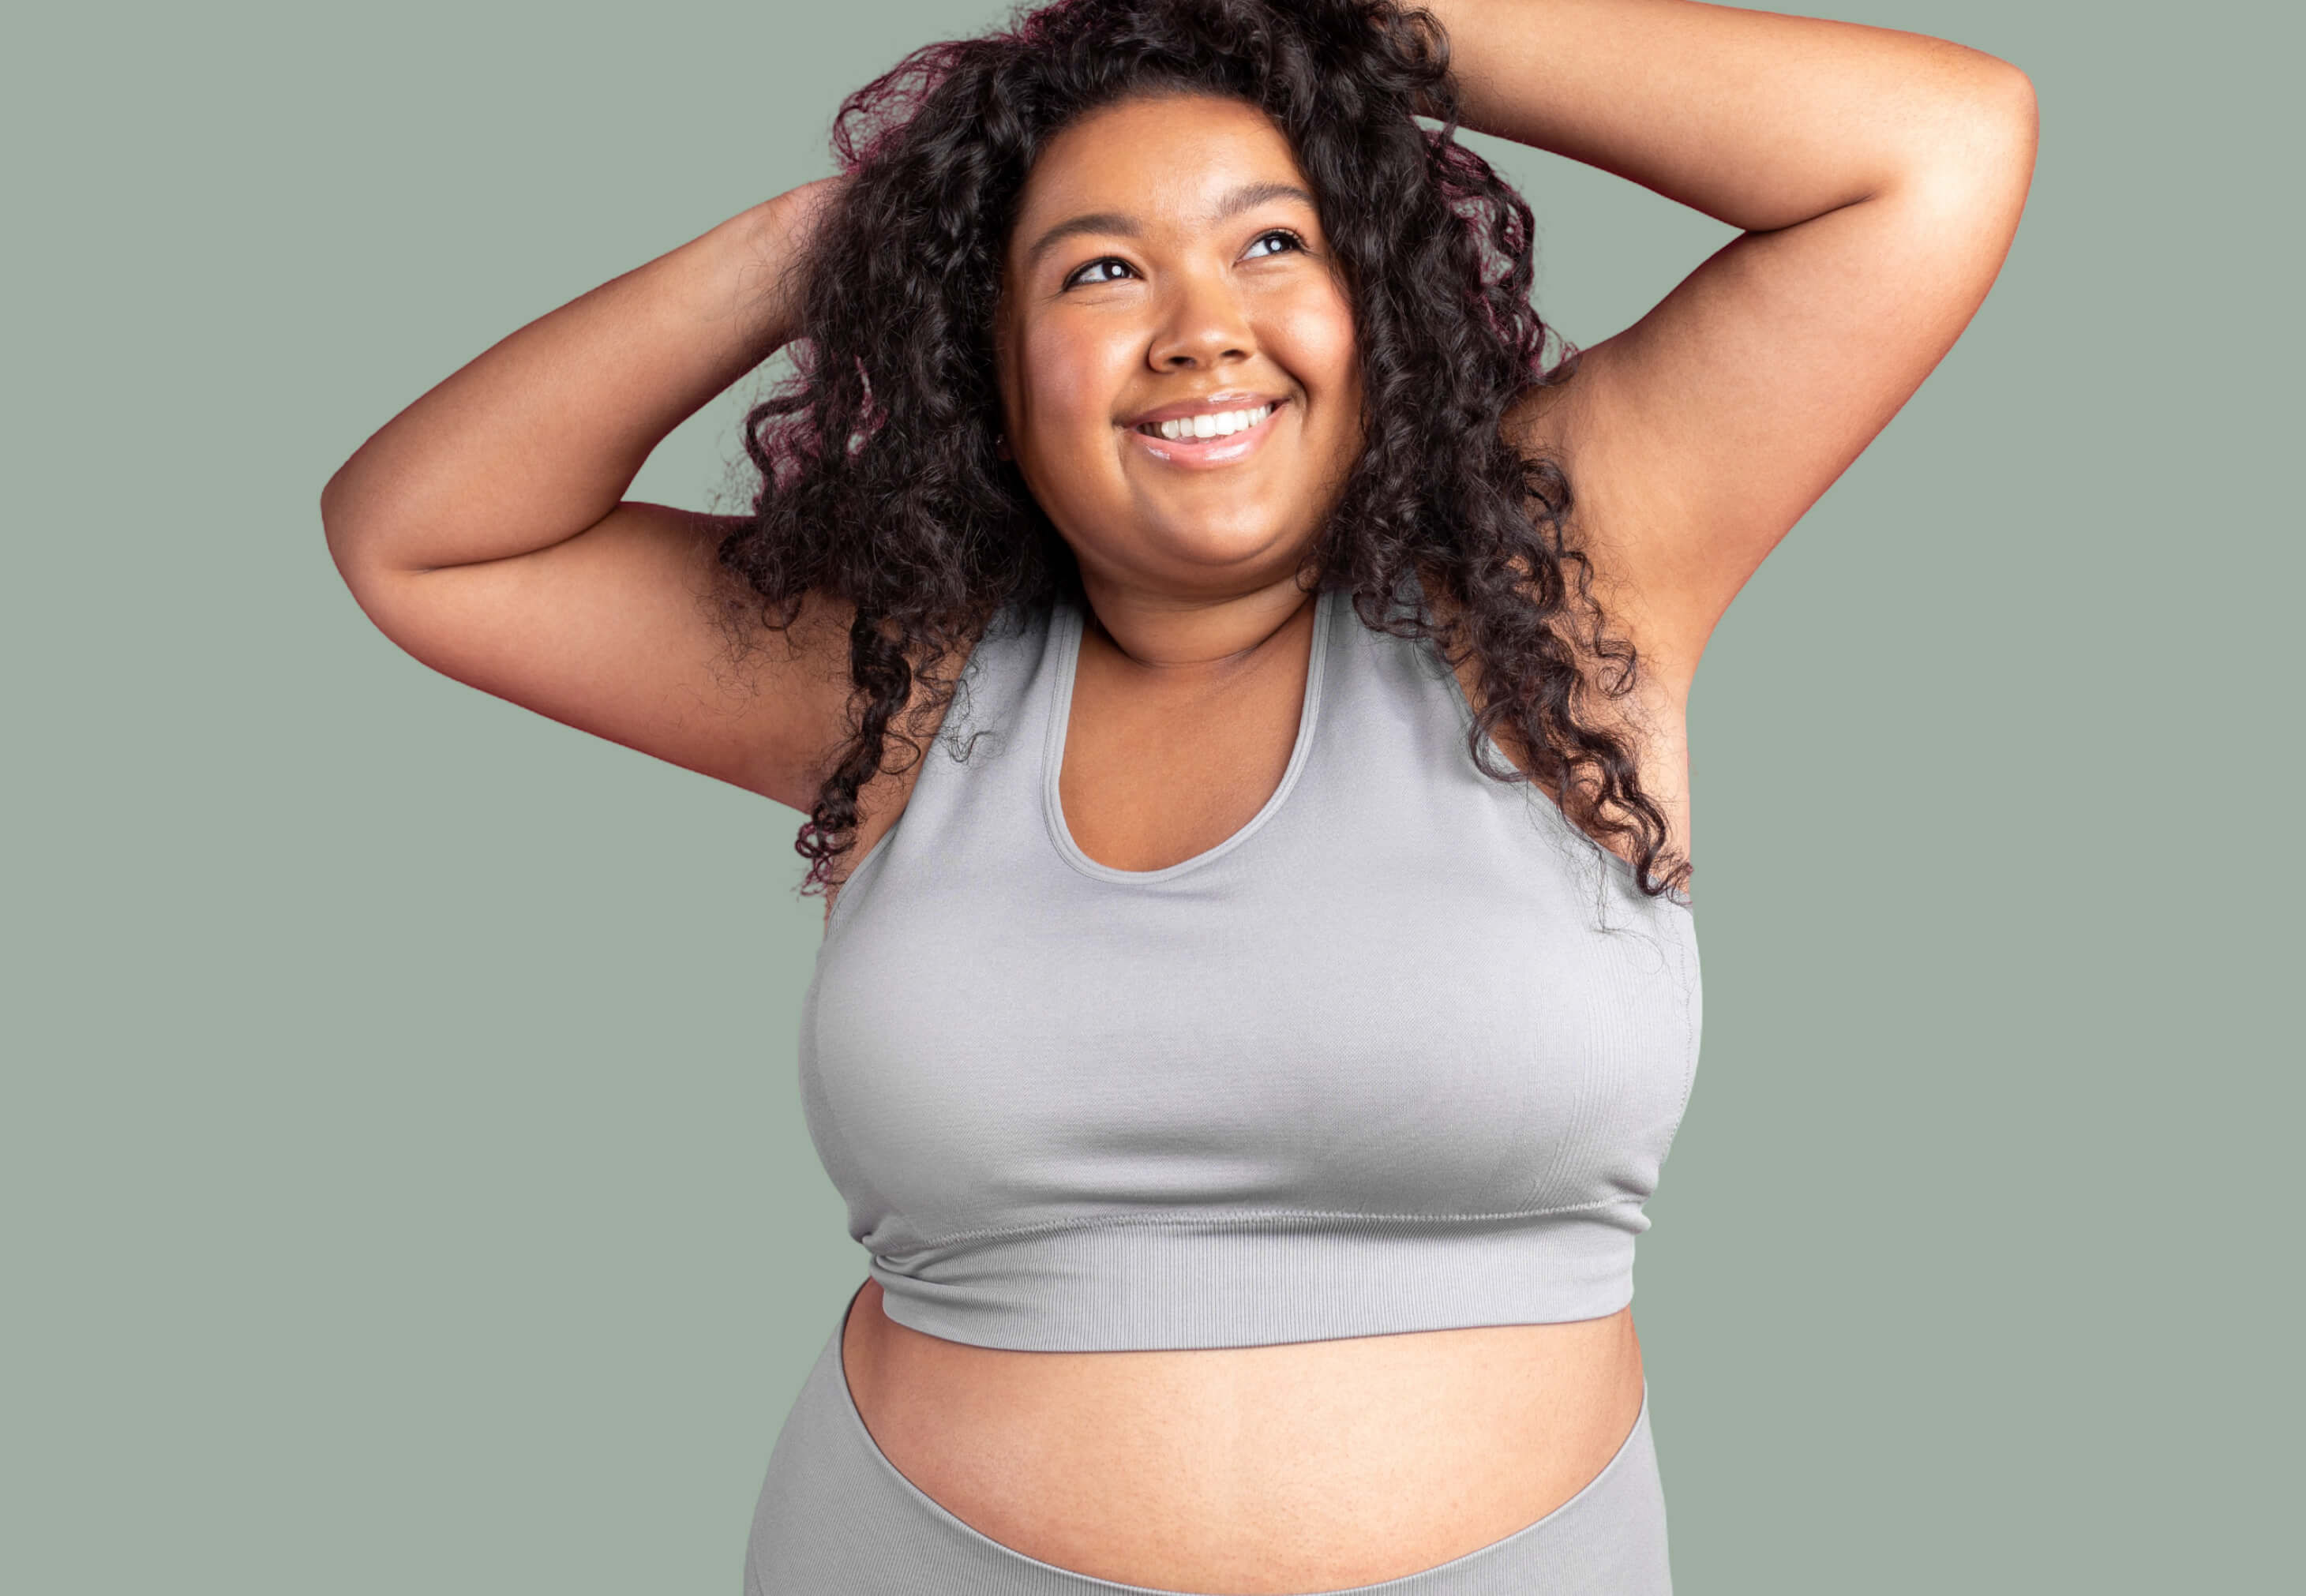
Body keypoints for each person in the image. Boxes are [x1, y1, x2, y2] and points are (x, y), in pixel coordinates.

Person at [320, 0, 2035, 1588]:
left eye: (1272, 242)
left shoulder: (1563, 583)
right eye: (1096, 274)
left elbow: (1934, 149)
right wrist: (839, 234)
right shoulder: (911, 677)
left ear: (1378, 306)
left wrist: (1337, 20)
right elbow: (425, 536)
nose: (1200, 329)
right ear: (988, 367)